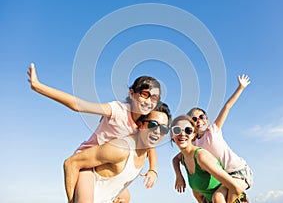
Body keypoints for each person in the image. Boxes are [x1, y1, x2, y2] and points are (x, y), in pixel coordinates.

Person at [27, 63, 161, 203]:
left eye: (154, 98)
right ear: (132, 94)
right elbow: (78, 104)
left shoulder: (145, 122)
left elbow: (150, 145)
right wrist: (38, 86)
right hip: (87, 164)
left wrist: (153, 169)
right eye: (145, 95)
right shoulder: (117, 110)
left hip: (105, 164)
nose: (149, 101)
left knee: (125, 198)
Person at [64, 103, 171, 203]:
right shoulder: (120, 149)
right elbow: (70, 163)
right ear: (140, 124)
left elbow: (151, 148)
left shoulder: (145, 147)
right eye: (153, 125)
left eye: (163, 129)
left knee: (125, 197)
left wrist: (153, 169)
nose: (157, 131)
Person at [172, 74, 253, 202]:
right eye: (194, 119)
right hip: (224, 177)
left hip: (239, 172)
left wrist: (240, 87)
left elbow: (227, 107)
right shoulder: (194, 143)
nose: (198, 120)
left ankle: (240, 198)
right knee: (199, 191)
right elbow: (176, 159)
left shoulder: (213, 130)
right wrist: (179, 176)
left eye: (201, 117)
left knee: (218, 197)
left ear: (206, 119)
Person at [171, 115, 244, 203]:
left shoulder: (201, 157)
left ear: (193, 134)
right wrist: (179, 176)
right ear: (172, 135)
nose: (182, 134)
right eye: (177, 130)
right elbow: (175, 160)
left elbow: (236, 188)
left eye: (188, 130)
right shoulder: (184, 158)